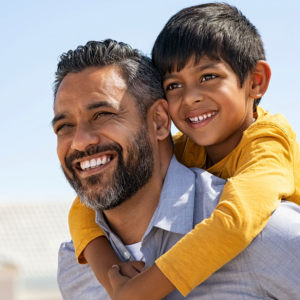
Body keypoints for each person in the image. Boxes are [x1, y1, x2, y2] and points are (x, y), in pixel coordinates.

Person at [66, 3, 300, 299]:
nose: (190, 98)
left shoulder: (269, 144)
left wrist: (136, 292)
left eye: (208, 77)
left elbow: (235, 222)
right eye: (174, 84)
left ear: (255, 81)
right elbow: (83, 207)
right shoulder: (185, 147)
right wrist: (109, 273)